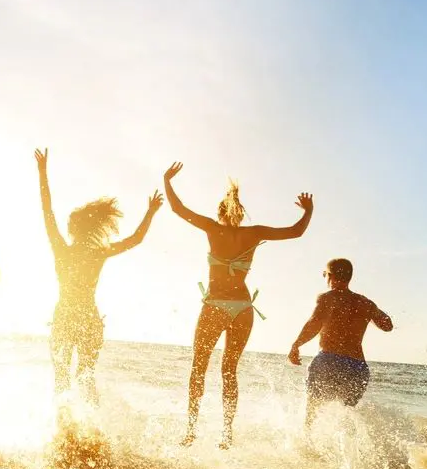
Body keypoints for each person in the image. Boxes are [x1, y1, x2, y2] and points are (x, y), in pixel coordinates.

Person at [163, 162, 313, 449]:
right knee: (229, 370)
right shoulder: (253, 233)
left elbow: (178, 209)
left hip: (216, 305)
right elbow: (296, 231)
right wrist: (308, 211)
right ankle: (227, 434)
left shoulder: (211, 228)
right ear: (241, 214)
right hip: (243, 308)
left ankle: (191, 431)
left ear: (221, 212)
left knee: (199, 367)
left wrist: (167, 180)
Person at [35, 148, 162, 407]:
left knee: (61, 376)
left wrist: (42, 172)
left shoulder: (61, 249)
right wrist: (150, 212)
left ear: (72, 229)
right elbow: (135, 240)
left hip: (65, 315)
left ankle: (64, 429)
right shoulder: (99, 253)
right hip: (89, 318)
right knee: (86, 375)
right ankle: (92, 429)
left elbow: (47, 211)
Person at [288, 258, 393, 429]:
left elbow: (315, 322)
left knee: (312, 413)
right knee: (345, 419)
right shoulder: (365, 302)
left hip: (329, 361)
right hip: (357, 368)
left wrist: (296, 345)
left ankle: (309, 449)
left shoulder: (327, 298)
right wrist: (369, 310)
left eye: (324, 274)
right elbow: (387, 325)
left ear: (330, 275)